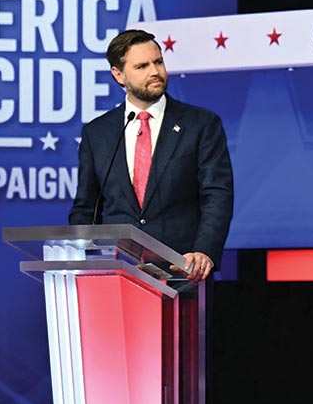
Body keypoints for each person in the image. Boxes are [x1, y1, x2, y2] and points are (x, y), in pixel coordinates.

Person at [69, 29, 234, 283]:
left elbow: (217, 195)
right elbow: (85, 209)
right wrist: (80, 257)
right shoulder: (97, 133)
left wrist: (204, 252)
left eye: (158, 62)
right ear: (119, 75)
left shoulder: (200, 124)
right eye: (142, 66)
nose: (155, 71)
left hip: (183, 274)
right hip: (116, 275)